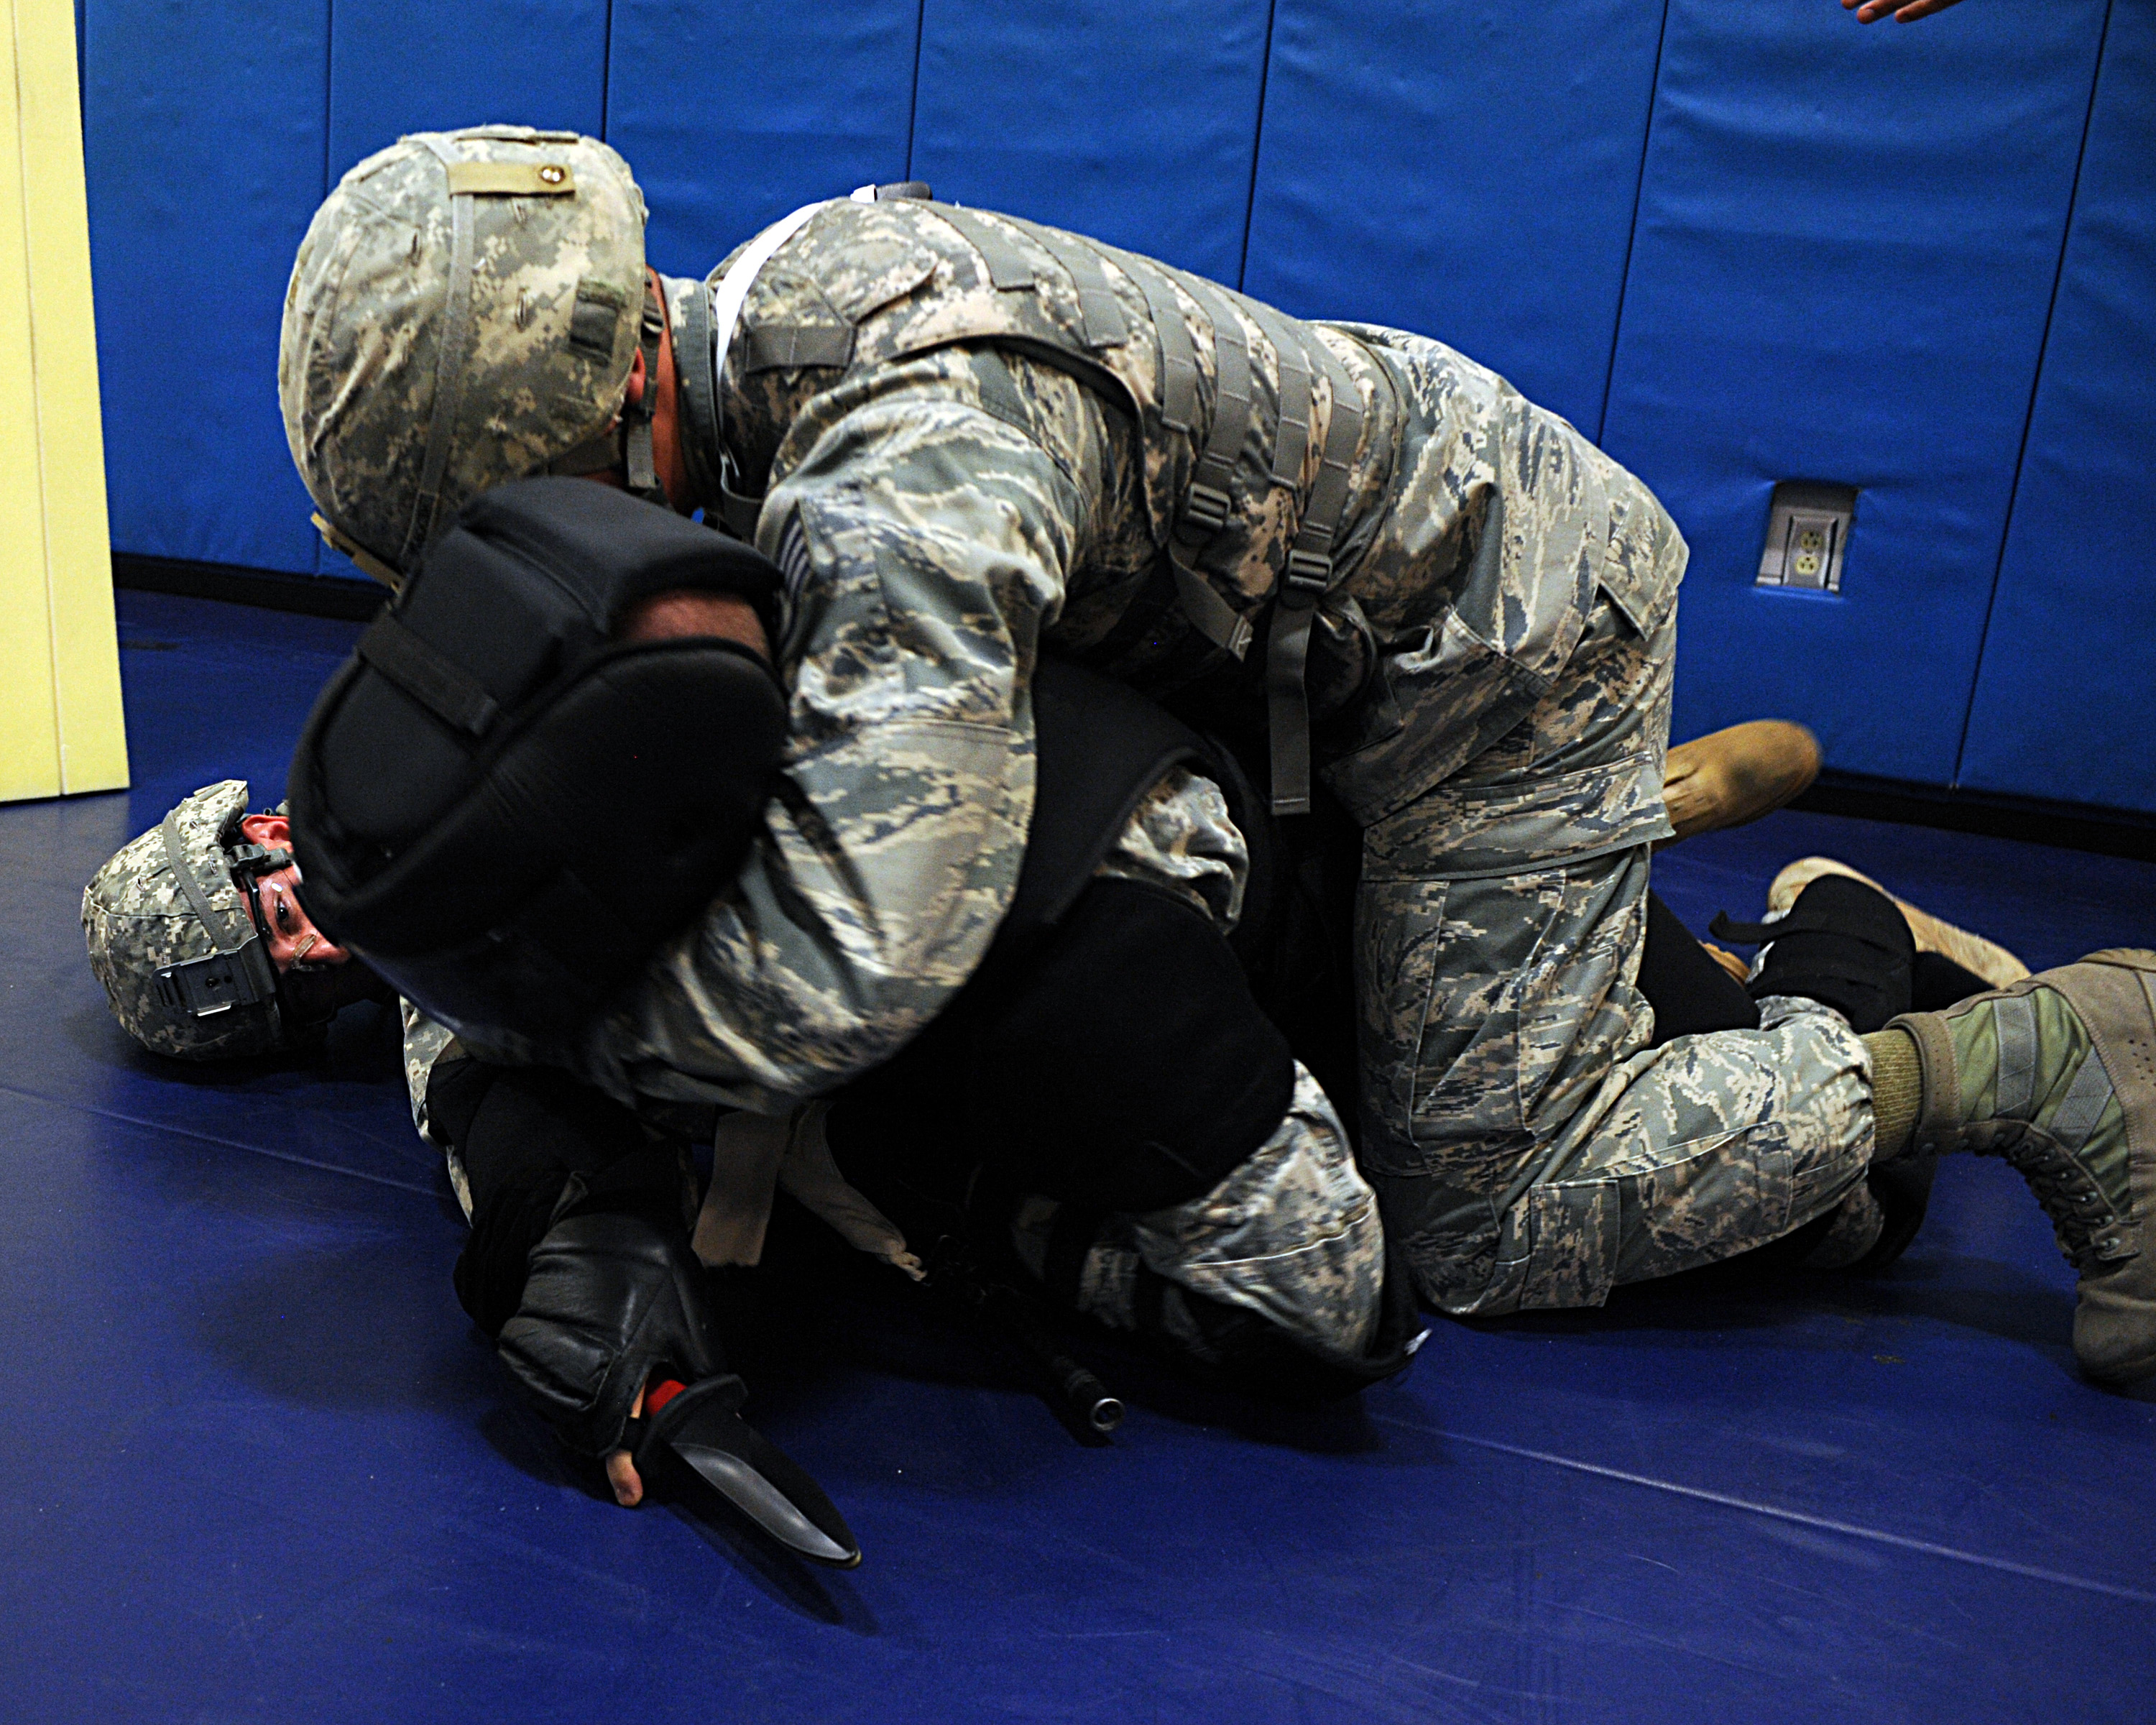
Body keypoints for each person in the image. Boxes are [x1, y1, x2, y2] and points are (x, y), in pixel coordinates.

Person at [267, 127, 2154, 1391]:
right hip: (1304, 680)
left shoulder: (899, 445)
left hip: (1494, 660)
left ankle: (2036, 1058)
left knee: (1492, 1218)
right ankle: (1792, 941)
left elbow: (867, 942)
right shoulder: (754, 350)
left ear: (601, 408)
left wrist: (549, 1026)